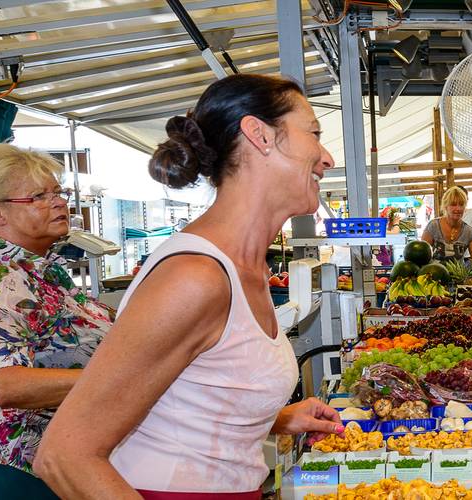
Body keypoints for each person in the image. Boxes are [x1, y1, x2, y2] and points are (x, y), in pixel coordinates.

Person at [34, 74, 345, 498]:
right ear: (260, 135)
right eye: (314, 134)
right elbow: (64, 455)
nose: (326, 157)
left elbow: (183, 395)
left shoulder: (243, 267)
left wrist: (269, 417)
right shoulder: (195, 277)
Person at [0, 144, 114, 499]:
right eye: (38, 196)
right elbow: (7, 385)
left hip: (59, 455)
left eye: (57, 192)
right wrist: (116, 379)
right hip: (21, 465)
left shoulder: (40, 268)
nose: (57, 202)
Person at [420, 185, 472, 265]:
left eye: (461, 204)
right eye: (453, 204)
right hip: (432, 275)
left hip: (459, 277)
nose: (458, 209)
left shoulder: (470, 232)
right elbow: (421, 256)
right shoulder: (433, 226)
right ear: (445, 206)